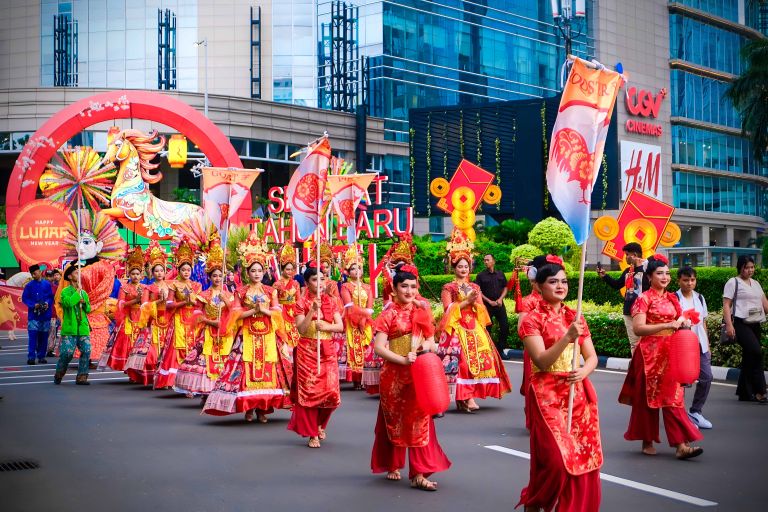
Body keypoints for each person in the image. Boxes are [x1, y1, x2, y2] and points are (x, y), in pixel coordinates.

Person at [517, 255, 602, 512]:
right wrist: (567, 337)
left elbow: (592, 357)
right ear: (539, 286)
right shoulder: (530, 320)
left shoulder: (575, 316)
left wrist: (583, 372)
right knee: (555, 460)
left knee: (583, 455)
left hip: (578, 393)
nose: (560, 286)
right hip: (547, 395)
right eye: (553, 282)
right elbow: (541, 362)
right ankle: (536, 500)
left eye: (564, 281)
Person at [371, 263, 451, 491]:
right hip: (394, 375)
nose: (409, 291)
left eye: (413, 287)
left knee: (420, 422)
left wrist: (423, 348)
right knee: (394, 422)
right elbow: (379, 348)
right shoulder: (388, 314)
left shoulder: (421, 312)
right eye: (404, 286)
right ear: (394, 289)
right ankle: (392, 463)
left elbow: (431, 342)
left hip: (419, 375)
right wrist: (402, 359)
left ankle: (419, 472)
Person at [618, 254, 703, 459]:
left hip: (671, 352)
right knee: (648, 400)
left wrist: (684, 321)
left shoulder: (672, 298)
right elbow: (638, 328)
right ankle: (647, 440)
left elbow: (679, 319)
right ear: (649, 277)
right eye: (659, 273)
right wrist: (667, 325)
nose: (664, 277)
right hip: (649, 355)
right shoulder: (643, 299)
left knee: (674, 398)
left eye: (667, 273)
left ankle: (681, 445)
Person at [204, 231, 292, 422]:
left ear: (264, 272)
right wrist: (252, 311)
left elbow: (278, 313)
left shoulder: (271, 291)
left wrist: (264, 310)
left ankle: (263, 409)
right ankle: (249, 408)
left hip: (268, 334)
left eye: (260, 270)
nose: (257, 274)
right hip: (247, 335)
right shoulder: (240, 291)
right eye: (253, 271)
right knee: (246, 369)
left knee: (269, 369)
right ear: (247, 272)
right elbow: (235, 314)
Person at [438, 229, 511, 412]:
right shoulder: (448, 287)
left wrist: (476, 303)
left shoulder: (475, 286)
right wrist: (465, 302)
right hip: (456, 327)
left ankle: (471, 395)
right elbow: (448, 309)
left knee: (482, 356)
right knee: (461, 361)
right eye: (460, 266)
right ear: (454, 268)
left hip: (474, 326)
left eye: (466, 266)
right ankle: (464, 396)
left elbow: (481, 309)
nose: (463, 269)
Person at [287, 264, 344, 448]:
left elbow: (340, 326)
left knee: (331, 393)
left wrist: (326, 327)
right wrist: (312, 310)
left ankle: (320, 424)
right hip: (307, 351)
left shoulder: (332, 301)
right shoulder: (300, 303)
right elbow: (301, 329)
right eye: (314, 279)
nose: (319, 283)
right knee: (310, 393)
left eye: (322, 278)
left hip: (327, 349)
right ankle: (312, 433)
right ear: (307, 282)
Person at [174, 235, 236, 398]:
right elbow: (197, 315)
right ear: (209, 277)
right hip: (208, 332)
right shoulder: (204, 294)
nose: (217, 278)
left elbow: (235, 313)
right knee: (206, 360)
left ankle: (220, 390)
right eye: (214, 276)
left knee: (224, 361)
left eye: (220, 276)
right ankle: (205, 390)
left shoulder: (229, 294)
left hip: (225, 335)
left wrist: (228, 304)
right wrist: (211, 322)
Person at [124, 241, 173, 386]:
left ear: (165, 272)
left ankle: (165, 379)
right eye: (156, 271)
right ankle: (151, 377)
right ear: (152, 272)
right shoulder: (149, 288)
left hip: (168, 321)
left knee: (168, 352)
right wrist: (158, 302)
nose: (159, 273)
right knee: (152, 352)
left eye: (161, 271)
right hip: (153, 322)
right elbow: (144, 307)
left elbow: (173, 304)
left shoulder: (171, 286)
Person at [154, 239, 201, 390]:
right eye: (183, 270)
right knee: (176, 349)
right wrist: (184, 302)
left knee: (193, 348)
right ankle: (172, 380)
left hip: (193, 322)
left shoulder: (196, 285)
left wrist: (193, 303)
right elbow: (169, 305)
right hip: (179, 320)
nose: (186, 272)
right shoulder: (173, 284)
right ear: (179, 270)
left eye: (188, 269)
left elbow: (200, 305)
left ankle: (190, 382)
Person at [723, 255, 768, 403]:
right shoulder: (733, 282)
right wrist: (729, 325)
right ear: (740, 267)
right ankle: (760, 391)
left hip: (756, 323)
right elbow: (726, 305)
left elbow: (764, 304)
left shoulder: (755, 283)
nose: (750, 270)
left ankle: (744, 392)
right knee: (756, 352)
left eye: (752, 267)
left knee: (750, 356)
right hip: (741, 324)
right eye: (747, 267)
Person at [675, 267, 713, 428]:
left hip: (700, 344)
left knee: (707, 377)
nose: (689, 283)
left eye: (692, 280)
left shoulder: (700, 298)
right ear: (679, 281)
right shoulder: (674, 298)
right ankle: (681, 415)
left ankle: (695, 411)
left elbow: (703, 322)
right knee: (682, 382)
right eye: (685, 280)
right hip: (682, 346)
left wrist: (708, 344)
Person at [597, 242, 649, 354]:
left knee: (646, 342)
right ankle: (636, 369)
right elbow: (617, 285)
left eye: (627, 254)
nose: (625, 258)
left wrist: (641, 266)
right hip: (628, 312)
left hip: (643, 311)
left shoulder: (647, 269)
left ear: (634, 254)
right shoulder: (628, 271)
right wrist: (605, 276)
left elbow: (650, 287)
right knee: (634, 344)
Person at [102, 247, 145, 371]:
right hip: (128, 319)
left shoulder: (145, 287)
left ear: (141, 274)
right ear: (129, 274)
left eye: (137, 274)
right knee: (128, 343)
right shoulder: (124, 288)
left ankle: (137, 367)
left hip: (141, 318)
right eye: (133, 274)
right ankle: (128, 367)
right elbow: (121, 304)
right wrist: (136, 300)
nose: (135, 276)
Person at [517, 255, 547, 431]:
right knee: (534, 385)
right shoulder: (529, 301)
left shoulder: (554, 301)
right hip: (534, 351)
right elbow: (521, 328)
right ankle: (534, 418)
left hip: (554, 350)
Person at [340, 247, 374, 389]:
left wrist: (364, 319)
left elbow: (370, 307)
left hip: (365, 322)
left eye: (359, 268)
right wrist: (359, 317)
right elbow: (349, 305)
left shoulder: (367, 287)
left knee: (366, 348)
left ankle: (365, 379)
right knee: (353, 348)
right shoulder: (346, 286)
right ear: (348, 272)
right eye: (353, 269)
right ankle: (355, 378)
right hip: (351, 321)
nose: (357, 271)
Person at [54, 264, 92, 385]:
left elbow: (88, 309)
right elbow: (68, 303)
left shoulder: (84, 293)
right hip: (70, 328)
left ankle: (82, 376)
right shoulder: (65, 291)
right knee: (67, 353)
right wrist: (77, 293)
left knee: (86, 350)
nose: (78, 275)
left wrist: (84, 302)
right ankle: (59, 373)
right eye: (76, 273)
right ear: (70, 277)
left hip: (83, 327)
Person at [475, 253, 509, 354]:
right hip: (487, 306)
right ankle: (488, 350)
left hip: (499, 305)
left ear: (493, 261)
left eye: (487, 260)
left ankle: (500, 349)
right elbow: (478, 291)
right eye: (484, 260)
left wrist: (500, 299)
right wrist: (489, 301)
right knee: (487, 328)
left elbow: (505, 287)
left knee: (505, 327)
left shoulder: (500, 274)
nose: (485, 262)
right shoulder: (480, 275)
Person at [22, 263, 54, 365]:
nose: (34, 276)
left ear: (40, 272)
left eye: (35, 273)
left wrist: (47, 303)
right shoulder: (29, 286)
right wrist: (33, 305)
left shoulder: (47, 284)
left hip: (45, 315)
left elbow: (50, 297)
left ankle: (41, 356)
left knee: (43, 337)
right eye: (32, 274)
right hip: (33, 316)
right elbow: (24, 298)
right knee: (32, 336)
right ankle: (31, 357)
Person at [272, 242, 302, 348]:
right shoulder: (277, 284)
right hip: (282, 313)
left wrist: (300, 313)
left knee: (295, 341)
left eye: (291, 269)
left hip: (293, 314)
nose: (289, 272)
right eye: (287, 269)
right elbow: (273, 302)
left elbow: (299, 300)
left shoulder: (296, 284)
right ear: (282, 269)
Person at [45, 269, 62, 358]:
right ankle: (41, 348)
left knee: (52, 333)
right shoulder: (41, 287)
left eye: (50, 276)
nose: (49, 278)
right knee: (43, 332)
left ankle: (50, 350)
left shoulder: (56, 288)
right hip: (43, 314)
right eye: (47, 276)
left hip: (53, 314)